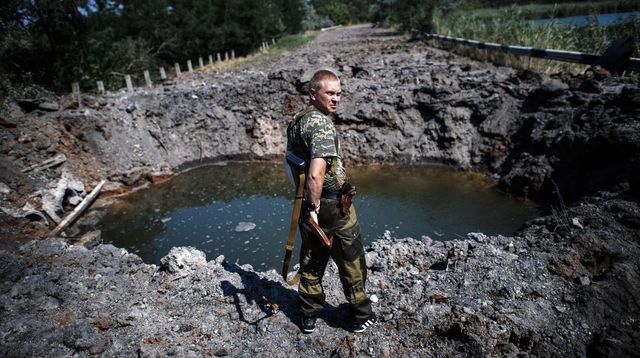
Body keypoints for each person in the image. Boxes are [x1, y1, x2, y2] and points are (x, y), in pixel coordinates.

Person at [285, 69, 376, 334]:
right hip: (333, 207)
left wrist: (305, 203)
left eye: (338, 93)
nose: (336, 99)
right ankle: (361, 315)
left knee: (312, 259)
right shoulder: (321, 125)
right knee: (351, 259)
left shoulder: (298, 120)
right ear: (313, 94)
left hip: (308, 201)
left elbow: (289, 162)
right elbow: (316, 173)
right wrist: (315, 209)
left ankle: (309, 314)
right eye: (329, 93)